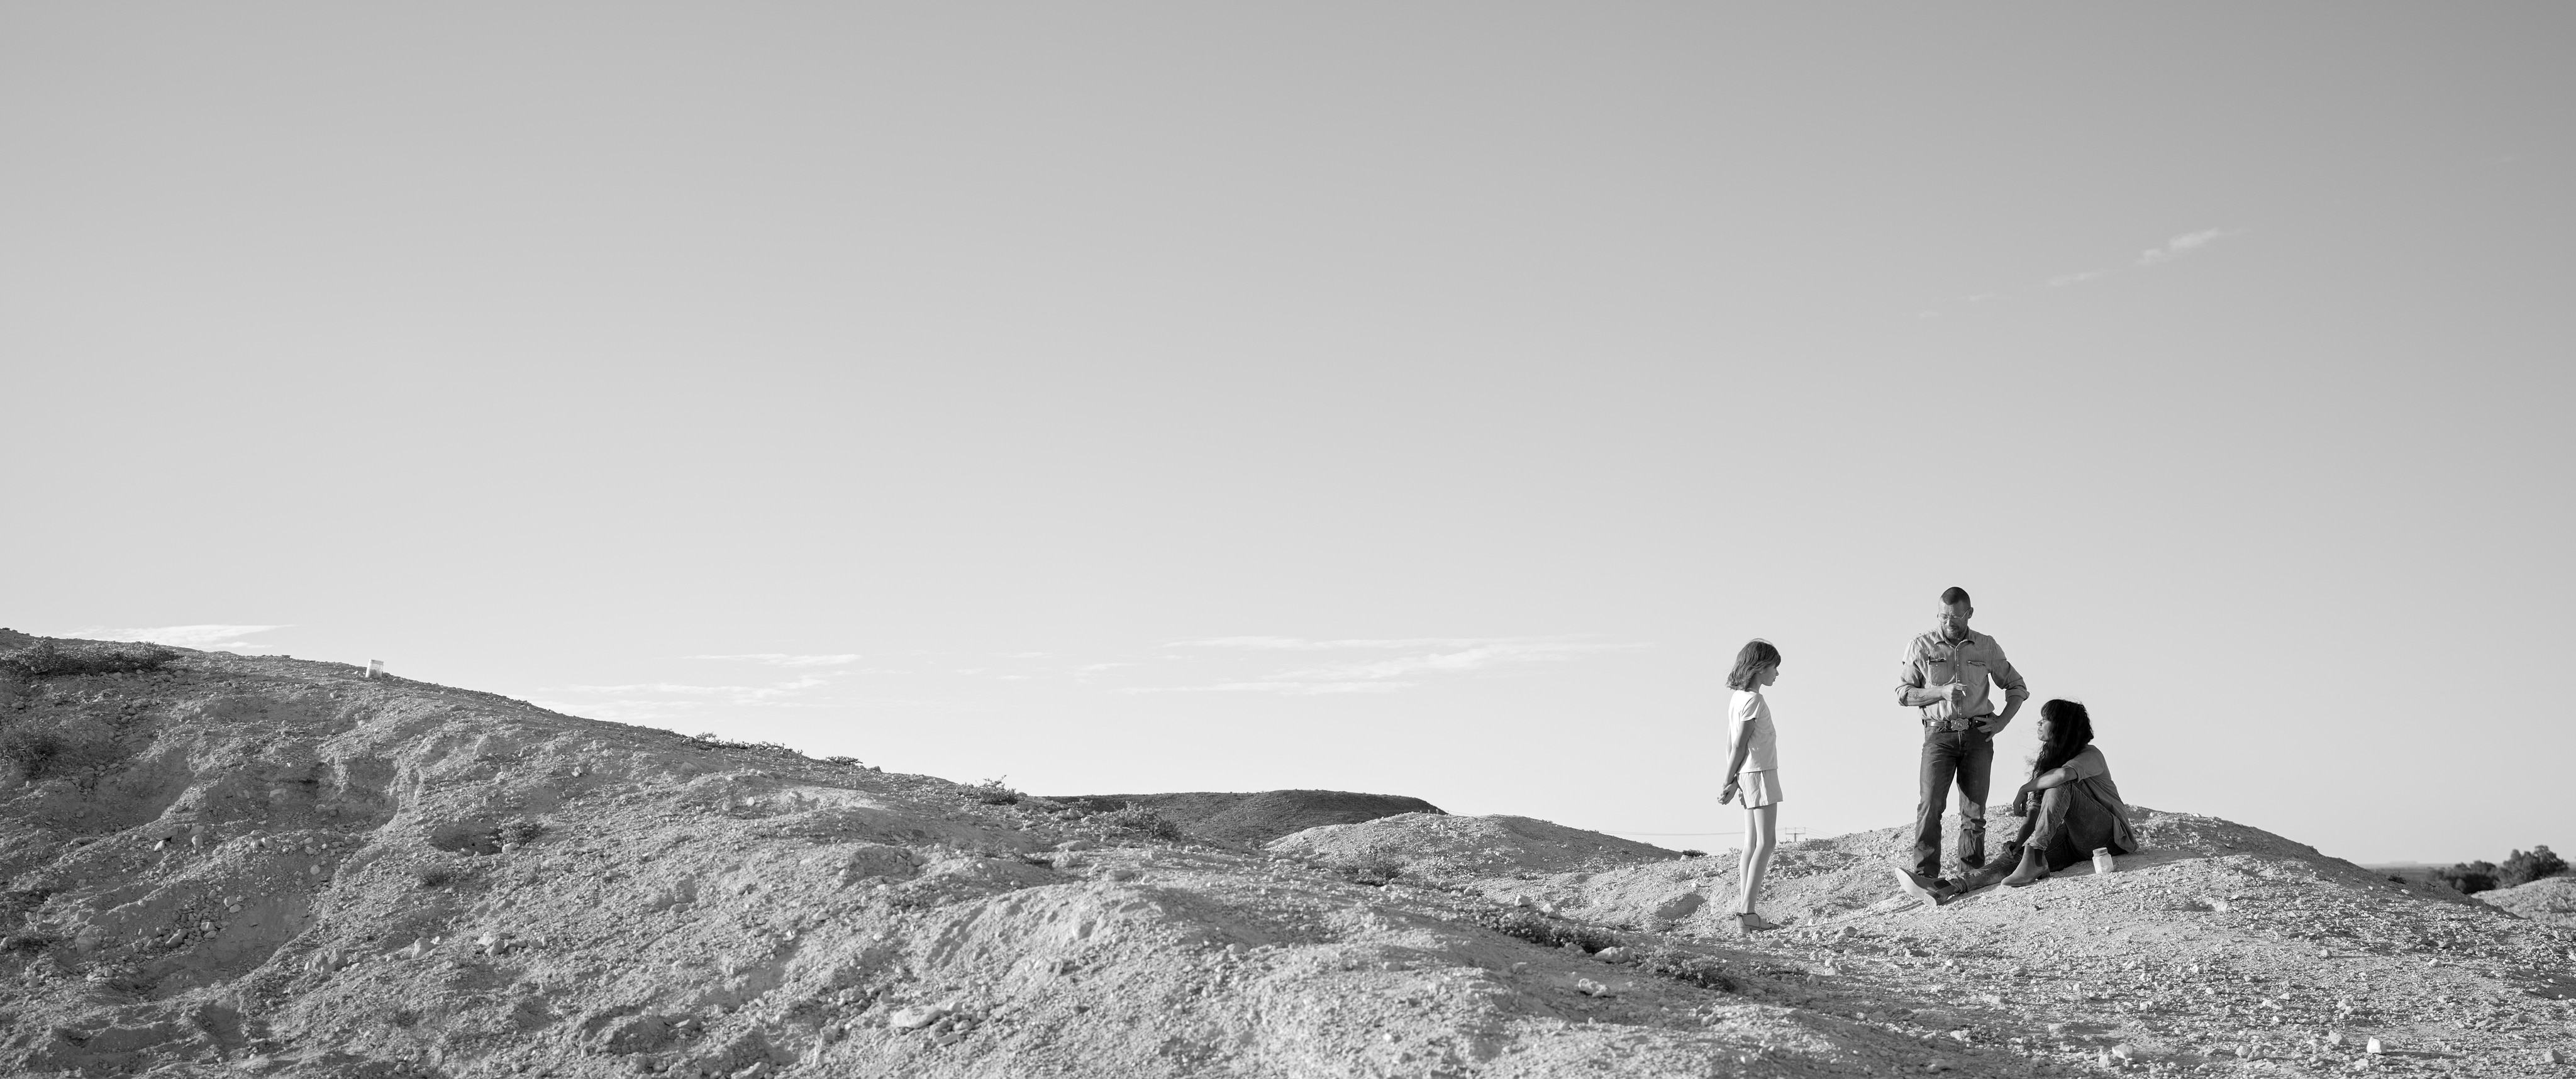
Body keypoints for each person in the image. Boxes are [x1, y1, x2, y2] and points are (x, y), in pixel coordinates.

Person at [1895, 698, 2138, 900]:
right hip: (2074, 843)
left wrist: (2024, 788)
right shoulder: (2047, 767)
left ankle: (2034, 855)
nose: (2039, 723)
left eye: (2046, 719)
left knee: (2060, 785)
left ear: (2062, 726)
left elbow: (2063, 776)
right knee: (2014, 857)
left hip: (2110, 838)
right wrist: (2019, 843)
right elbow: (2035, 812)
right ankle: (1947, 887)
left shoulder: (2091, 755)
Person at [1894, 586, 2029, 890]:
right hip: (1938, 734)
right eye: (1943, 617)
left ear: (1969, 614)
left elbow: (2017, 687)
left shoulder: (1987, 646)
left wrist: (2002, 722)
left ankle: (1969, 879)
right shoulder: (1921, 645)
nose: (1948, 623)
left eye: (1955, 617)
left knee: (1974, 812)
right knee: (1930, 805)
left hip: (1977, 735)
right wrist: (1939, 692)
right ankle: (1926, 878)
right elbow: (1903, 694)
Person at [1718, 639, 1785, 932]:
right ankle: (1747, 913)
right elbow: (1741, 745)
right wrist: (1727, 781)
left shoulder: (1737, 698)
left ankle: (1745, 916)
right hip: (1760, 772)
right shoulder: (1754, 701)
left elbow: (1733, 744)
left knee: (1751, 844)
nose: (1777, 675)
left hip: (1748, 774)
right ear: (1760, 668)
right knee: (1766, 842)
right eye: (1774, 668)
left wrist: (1734, 780)